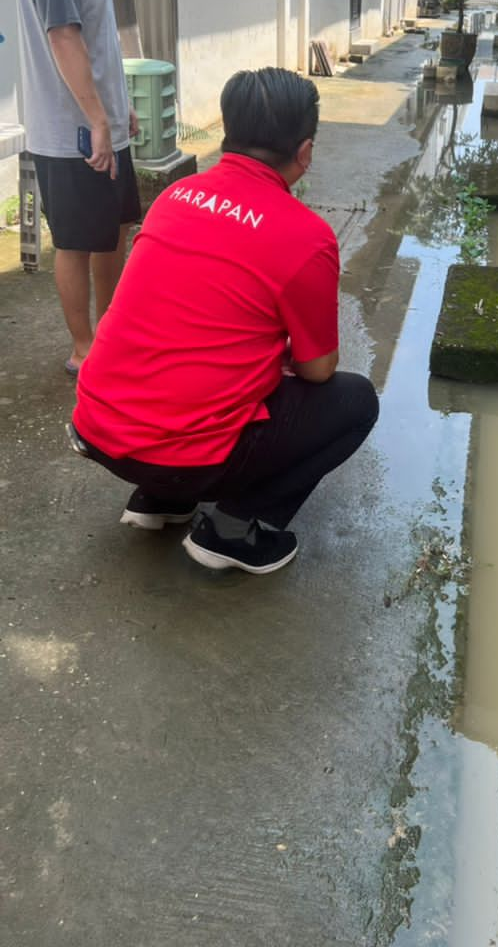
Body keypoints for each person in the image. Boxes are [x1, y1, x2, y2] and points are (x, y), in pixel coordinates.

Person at [71, 68, 379, 574]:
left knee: (194, 347)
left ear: (226, 135)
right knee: (353, 401)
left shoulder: (174, 198)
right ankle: (233, 531)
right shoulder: (306, 236)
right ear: (304, 152)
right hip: (183, 452)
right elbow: (318, 371)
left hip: (98, 428)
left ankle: (161, 500)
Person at [15, 0, 141, 377]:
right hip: (73, 132)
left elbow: (94, 33)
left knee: (111, 231)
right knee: (75, 241)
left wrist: (119, 106)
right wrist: (96, 119)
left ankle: (109, 328)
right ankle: (83, 346)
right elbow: (62, 35)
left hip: (99, 121)